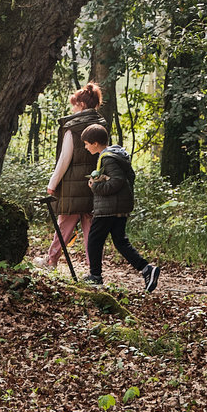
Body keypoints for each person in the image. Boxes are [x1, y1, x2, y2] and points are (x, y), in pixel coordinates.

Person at [81, 122, 160, 293]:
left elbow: (117, 181)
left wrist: (95, 186)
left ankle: (95, 276)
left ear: (95, 143)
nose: (86, 147)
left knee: (94, 239)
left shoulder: (108, 158)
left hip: (109, 207)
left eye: (86, 144)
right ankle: (147, 269)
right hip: (119, 206)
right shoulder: (117, 155)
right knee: (120, 241)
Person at [41, 82, 106, 271]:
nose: (72, 109)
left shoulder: (73, 127)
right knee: (92, 230)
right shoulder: (102, 125)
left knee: (64, 226)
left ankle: (51, 260)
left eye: (74, 104)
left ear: (82, 105)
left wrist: (52, 183)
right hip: (95, 184)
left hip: (71, 186)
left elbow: (64, 159)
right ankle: (94, 268)